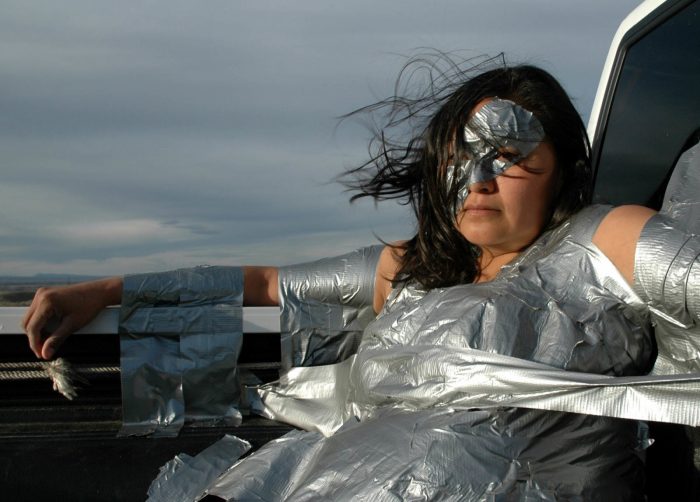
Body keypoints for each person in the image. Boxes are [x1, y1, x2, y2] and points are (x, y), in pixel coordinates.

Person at [21, 57, 696, 499]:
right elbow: (261, 284)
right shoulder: (412, 271)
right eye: (460, 155)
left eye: (510, 155)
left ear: (564, 171)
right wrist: (105, 291)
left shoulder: (604, 241)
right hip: (320, 476)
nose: (479, 178)